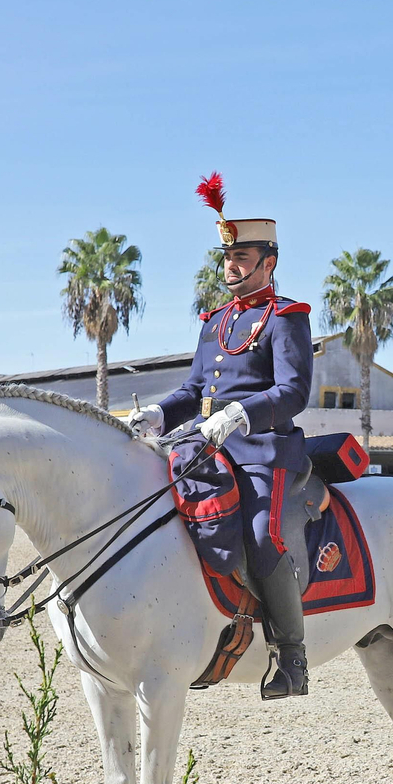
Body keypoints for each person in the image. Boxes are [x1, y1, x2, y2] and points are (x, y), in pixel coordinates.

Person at [127, 175, 314, 698]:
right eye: (227, 256)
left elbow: (294, 392)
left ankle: (291, 657)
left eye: (242, 256)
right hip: (201, 446)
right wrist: (159, 417)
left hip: (263, 451)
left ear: (268, 262)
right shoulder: (214, 321)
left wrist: (239, 415)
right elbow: (193, 389)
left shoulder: (287, 318)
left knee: (259, 536)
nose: (230, 265)